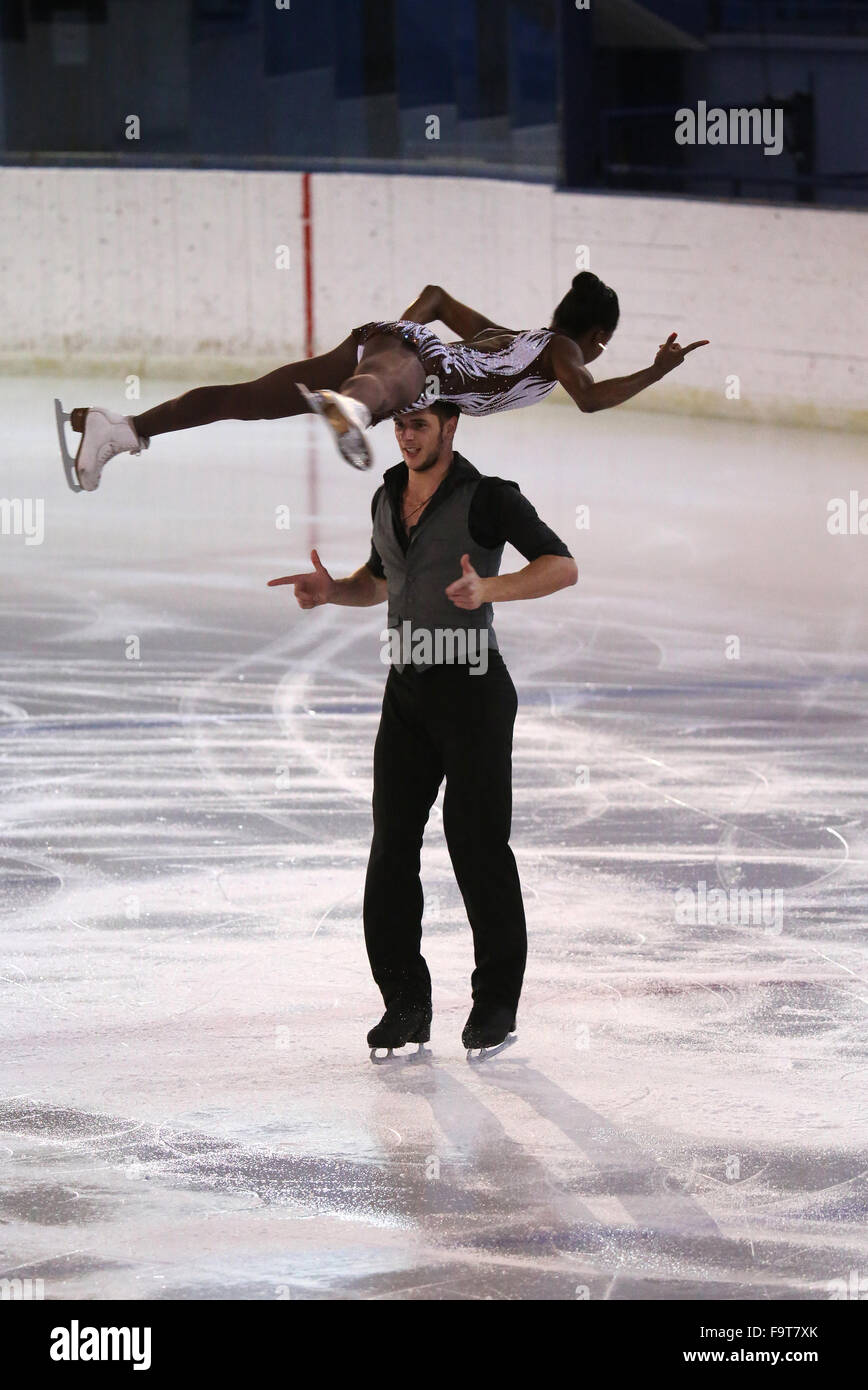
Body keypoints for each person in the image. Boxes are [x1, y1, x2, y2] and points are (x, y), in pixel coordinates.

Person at [268, 398, 577, 1059]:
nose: (406, 437)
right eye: (400, 426)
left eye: (420, 426)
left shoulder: (488, 498)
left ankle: (495, 1004)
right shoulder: (386, 497)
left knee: (476, 845)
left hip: (473, 692)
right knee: (391, 847)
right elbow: (380, 579)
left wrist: (490, 591)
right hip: (406, 694)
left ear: (451, 426)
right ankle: (405, 1004)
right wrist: (333, 591)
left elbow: (561, 565)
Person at [59, 272, 708, 486]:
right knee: (392, 384)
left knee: (246, 400)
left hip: (394, 350)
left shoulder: (518, 340)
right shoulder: (564, 350)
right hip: (416, 367)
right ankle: (354, 407)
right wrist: (656, 369)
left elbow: (433, 295)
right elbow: (590, 401)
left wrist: (393, 340)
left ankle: (120, 428)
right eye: (603, 347)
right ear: (597, 338)